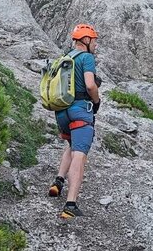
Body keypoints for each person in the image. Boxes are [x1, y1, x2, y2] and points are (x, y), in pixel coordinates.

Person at [48, 23, 102, 219]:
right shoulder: (87, 58)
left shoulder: (66, 58)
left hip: (62, 111)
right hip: (80, 110)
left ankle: (58, 181)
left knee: (71, 144)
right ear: (86, 40)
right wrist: (96, 101)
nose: (96, 45)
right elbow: (90, 85)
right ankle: (70, 205)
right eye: (94, 41)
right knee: (80, 154)